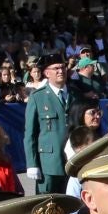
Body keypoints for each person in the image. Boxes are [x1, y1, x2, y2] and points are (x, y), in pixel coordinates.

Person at [24, 54, 77, 195]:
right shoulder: (38, 97)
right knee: (47, 205)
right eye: (56, 68)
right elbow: (30, 134)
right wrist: (32, 164)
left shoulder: (75, 95)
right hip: (49, 163)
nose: (61, 71)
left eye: (63, 67)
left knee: (72, 206)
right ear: (47, 73)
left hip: (73, 161)